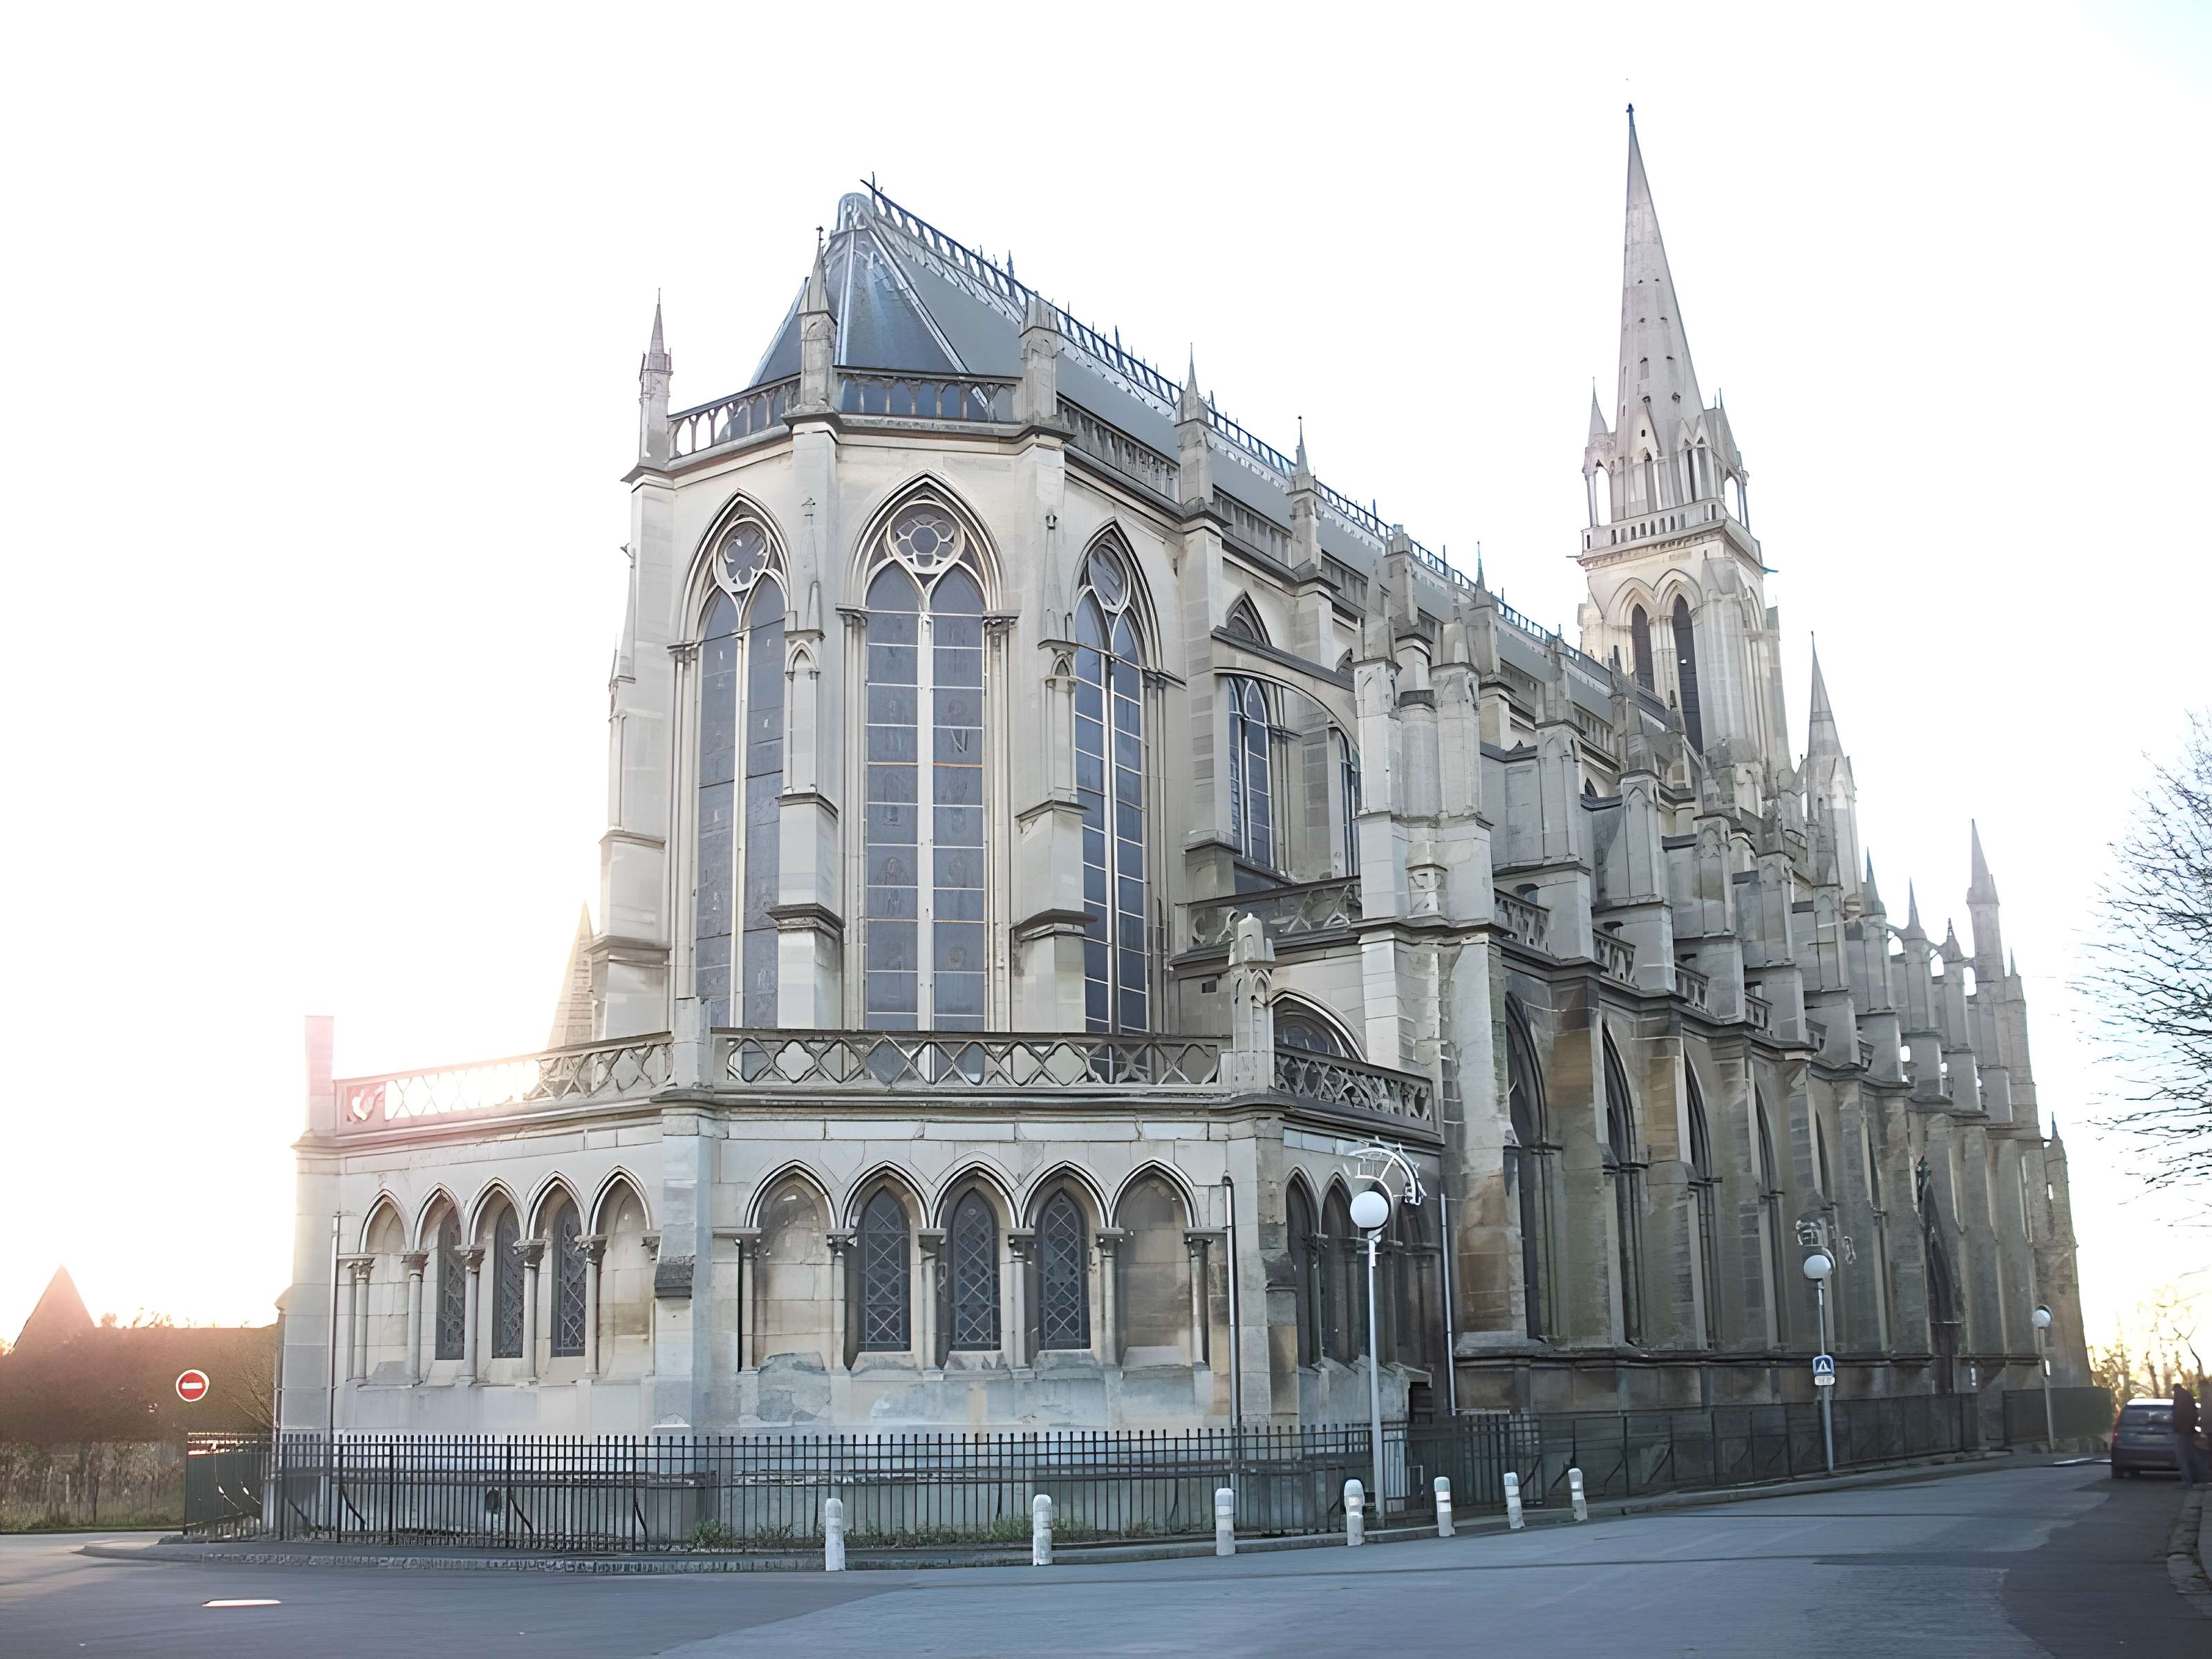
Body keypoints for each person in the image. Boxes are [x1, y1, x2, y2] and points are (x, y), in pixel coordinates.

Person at [2174, 1384, 2208, 1487]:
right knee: (2191, 1457)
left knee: (2183, 1458)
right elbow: (2194, 1413)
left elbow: (2179, 1416)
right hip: (2188, 1432)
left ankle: (2188, 1481)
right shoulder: (2188, 1397)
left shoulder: (2180, 1399)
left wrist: (2180, 1428)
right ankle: (2194, 1479)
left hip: (2182, 1432)